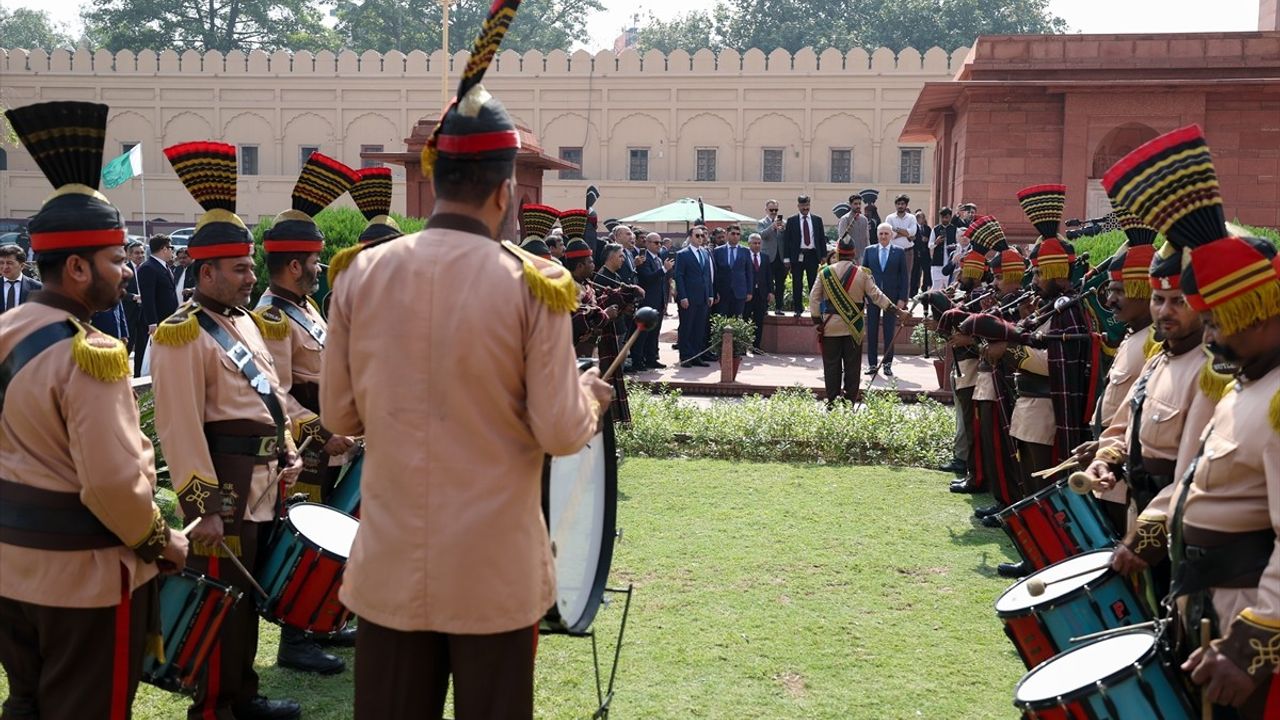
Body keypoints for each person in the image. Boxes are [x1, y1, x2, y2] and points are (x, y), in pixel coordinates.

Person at [320, 11, 615, 704]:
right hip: (494, 578)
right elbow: (559, 430)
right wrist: (593, 399)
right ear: (506, 188)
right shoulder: (533, 285)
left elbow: (337, 413)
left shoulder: (359, 274)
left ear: (436, 177)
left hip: (392, 573)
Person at [0, 99, 188, 720]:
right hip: (80, 580)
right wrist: (162, 541)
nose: (128, 274)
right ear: (77, 267)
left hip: (10, 568)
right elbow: (111, 483)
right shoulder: (95, 352)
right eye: (116, 261)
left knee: (27, 703)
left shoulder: (5, 330)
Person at [1101, 127, 1278, 718]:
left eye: (1222, 319)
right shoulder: (1245, 384)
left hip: (1242, 618)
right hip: (1200, 602)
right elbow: (1196, 476)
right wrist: (1151, 528)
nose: (1215, 334)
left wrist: (1253, 640)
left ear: (1261, 311)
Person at [152, 140, 305, 720]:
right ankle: (214, 706)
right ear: (206, 270)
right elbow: (179, 426)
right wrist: (205, 507)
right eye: (239, 268)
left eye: (251, 266)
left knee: (245, 597)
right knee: (220, 595)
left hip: (264, 481)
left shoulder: (246, 323)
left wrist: (290, 449)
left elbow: (271, 398)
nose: (251, 277)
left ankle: (243, 693)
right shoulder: (179, 333)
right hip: (226, 486)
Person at [255, 151, 362, 675]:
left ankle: (325, 622)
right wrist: (320, 434)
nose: (321, 269)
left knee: (330, 534)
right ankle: (295, 641)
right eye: (316, 262)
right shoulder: (272, 316)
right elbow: (275, 391)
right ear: (294, 265)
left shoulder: (305, 307)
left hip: (332, 437)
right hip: (308, 447)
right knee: (305, 539)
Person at [1079, 213, 1159, 532]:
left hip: (1124, 468)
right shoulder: (1134, 335)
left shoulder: (1156, 343)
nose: (1109, 300)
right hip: (1107, 456)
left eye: (1118, 291)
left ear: (1143, 288)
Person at [810, 235, 908, 408]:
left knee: (831, 367)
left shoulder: (825, 273)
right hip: (853, 329)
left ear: (838, 253)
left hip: (830, 328)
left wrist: (817, 322)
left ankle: (832, 403)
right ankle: (848, 405)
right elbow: (877, 296)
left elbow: (814, 299)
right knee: (852, 368)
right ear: (854, 254)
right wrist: (897, 311)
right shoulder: (862, 273)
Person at [862, 223, 908, 377]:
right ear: (877, 235)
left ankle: (887, 364)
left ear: (891, 235)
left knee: (889, 331)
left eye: (886, 234)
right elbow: (864, 275)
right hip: (873, 298)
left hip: (892, 298)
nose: (883, 236)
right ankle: (872, 364)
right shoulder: (869, 251)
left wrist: (902, 298)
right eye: (881, 233)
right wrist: (864, 296)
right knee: (872, 331)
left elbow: (904, 277)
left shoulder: (899, 252)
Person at [136, 233, 177, 376]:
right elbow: (148, 298)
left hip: (167, 321)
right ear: (164, 249)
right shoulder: (149, 268)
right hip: (154, 322)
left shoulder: (165, 267)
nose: (172, 251)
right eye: (170, 248)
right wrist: (152, 322)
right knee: (146, 358)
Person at [674, 225, 715, 367]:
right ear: (690, 237)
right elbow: (679, 276)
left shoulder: (705, 252)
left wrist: (710, 294)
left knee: (699, 328)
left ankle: (696, 356)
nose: (700, 238)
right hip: (689, 297)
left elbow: (707, 275)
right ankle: (685, 356)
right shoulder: (682, 254)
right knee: (687, 327)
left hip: (703, 297)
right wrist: (683, 296)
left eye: (702, 236)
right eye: (697, 235)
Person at [783, 195, 825, 316]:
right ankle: (798, 309)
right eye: (803, 206)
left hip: (812, 255)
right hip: (797, 255)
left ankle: (814, 309)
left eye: (807, 205)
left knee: (813, 283)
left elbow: (821, 238)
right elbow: (787, 241)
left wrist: (823, 256)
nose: (805, 208)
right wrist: (787, 258)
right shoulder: (792, 221)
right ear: (798, 206)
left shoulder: (817, 220)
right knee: (797, 283)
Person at [636, 231, 673, 368]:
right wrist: (664, 269)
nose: (659, 245)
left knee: (654, 332)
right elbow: (647, 278)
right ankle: (638, 360)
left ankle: (652, 358)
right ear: (647, 243)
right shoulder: (644, 259)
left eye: (660, 243)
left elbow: (662, 281)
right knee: (643, 334)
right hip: (648, 302)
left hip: (659, 301)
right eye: (656, 243)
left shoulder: (658, 258)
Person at [713, 225, 754, 318]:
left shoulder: (746, 251)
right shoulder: (718, 251)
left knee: (738, 320)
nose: (735, 236)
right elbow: (715, 273)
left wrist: (750, 291)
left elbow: (749, 272)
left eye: (738, 234)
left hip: (740, 292)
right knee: (722, 320)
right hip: (723, 293)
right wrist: (715, 291)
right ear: (727, 234)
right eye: (733, 233)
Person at [757, 199, 787, 315]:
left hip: (780, 258)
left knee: (780, 284)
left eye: (776, 210)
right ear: (766, 210)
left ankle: (779, 307)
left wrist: (784, 229)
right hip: (768, 257)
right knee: (766, 284)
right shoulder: (762, 222)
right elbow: (761, 235)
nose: (774, 212)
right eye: (771, 210)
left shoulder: (783, 223)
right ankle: (764, 307)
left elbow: (786, 239)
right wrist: (772, 227)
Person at [743, 233, 773, 350]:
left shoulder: (765, 257)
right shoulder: (744, 256)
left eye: (759, 243)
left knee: (759, 321)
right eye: (754, 243)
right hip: (748, 294)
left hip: (761, 294)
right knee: (745, 319)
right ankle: (743, 346)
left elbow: (769, 276)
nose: (757, 245)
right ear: (749, 244)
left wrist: (771, 292)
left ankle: (756, 346)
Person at [886, 194, 917, 291]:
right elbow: (889, 234)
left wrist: (897, 230)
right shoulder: (890, 218)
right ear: (895, 205)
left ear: (906, 205)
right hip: (893, 252)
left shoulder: (911, 218)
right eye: (898, 204)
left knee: (906, 277)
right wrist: (906, 233)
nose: (900, 206)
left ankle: (904, 302)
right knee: (893, 276)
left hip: (908, 251)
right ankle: (893, 301)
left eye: (902, 204)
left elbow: (913, 232)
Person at [1, 243, 41, 313]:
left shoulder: (37, 288)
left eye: (9, 263)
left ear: (22, 266)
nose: (5, 267)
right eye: (1, 263)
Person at [836, 194, 870, 265]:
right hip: (849, 257)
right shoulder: (845, 219)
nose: (858, 206)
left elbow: (867, 239)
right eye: (855, 204)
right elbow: (842, 238)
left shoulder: (864, 219)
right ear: (850, 204)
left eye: (859, 204)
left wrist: (868, 253)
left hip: (863, 256)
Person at [911, 209, 932, 295]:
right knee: (915, 272)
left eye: (922, 218)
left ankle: (924, 288)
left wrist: (927, 240)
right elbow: (912, 238)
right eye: (919, 218)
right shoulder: (913, 228)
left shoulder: (927, 228)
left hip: (925, 253)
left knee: (926, 271)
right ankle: (913, 291)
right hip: (916, 252)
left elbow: (931, 239)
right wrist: (920, 239)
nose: (921, 219)